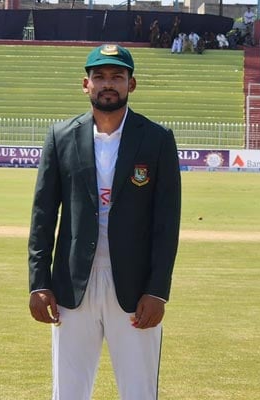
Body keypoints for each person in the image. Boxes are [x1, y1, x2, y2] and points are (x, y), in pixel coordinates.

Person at [28, 44, 181, 400]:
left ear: (132, 84)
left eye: (117, 77)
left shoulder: (157, 139)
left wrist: (157, 290)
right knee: (68, 391)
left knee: (139, 391)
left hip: (135, 288)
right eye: (99, 77)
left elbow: (166, 222)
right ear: (86, 84)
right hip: (72, 287)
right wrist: (38, 282)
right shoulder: (61, 136)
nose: (107, 84)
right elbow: (42, 216)